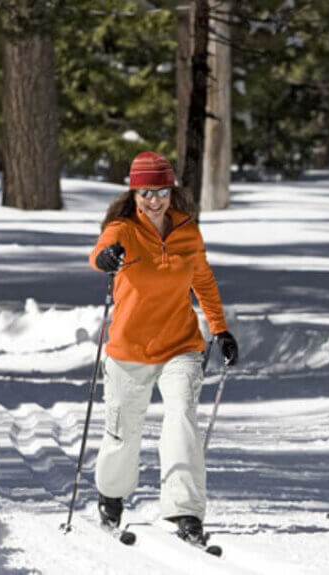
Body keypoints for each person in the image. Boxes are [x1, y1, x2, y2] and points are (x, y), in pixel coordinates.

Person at [88, 151, 238, 544]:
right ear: (134, 193)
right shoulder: (122, 229)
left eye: (161, 191)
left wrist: (221, 331)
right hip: (129, 347)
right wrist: (106, 259)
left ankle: (184, 511)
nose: (153, 199)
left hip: (181, 344)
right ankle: (112, 495)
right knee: (123, 431)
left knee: (181, 418)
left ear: (172, 192)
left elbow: (202, 282)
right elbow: (98, 255)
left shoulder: (187, 232)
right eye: (145, 192)